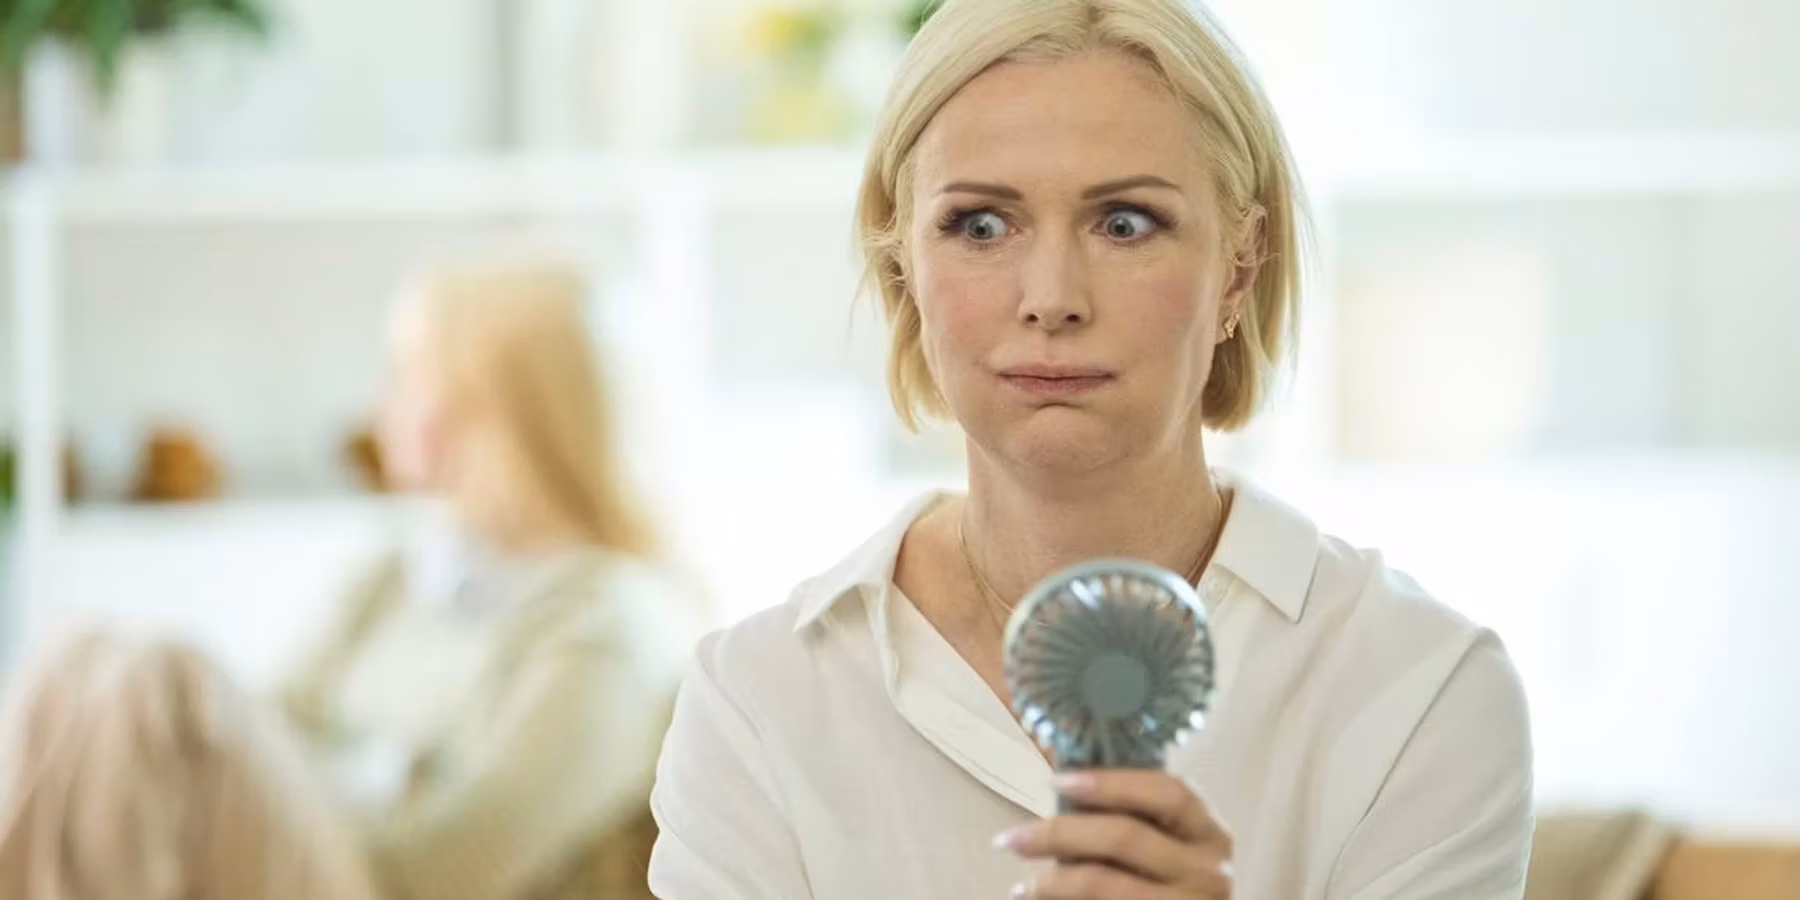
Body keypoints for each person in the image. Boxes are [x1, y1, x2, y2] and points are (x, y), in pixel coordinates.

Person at [646, 1, 1534, 898]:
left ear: (1240, 264)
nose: (1052, 298)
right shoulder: (758, 704)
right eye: (982, 226)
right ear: (901, 261)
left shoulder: (1419, 689)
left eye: (1124, 223)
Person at [279, 255, 697, 900]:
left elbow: (429, 874)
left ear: (485, 407)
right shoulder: (395, 576)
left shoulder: (609, 632)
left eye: (405, 377)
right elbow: (259, 739)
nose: (377, 404)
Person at [0, 628, 380, 900]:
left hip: (374, 860)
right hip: (323, 790)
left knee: (163, 685)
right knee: (76, 656)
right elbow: (291, 700)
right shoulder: (395, 575)